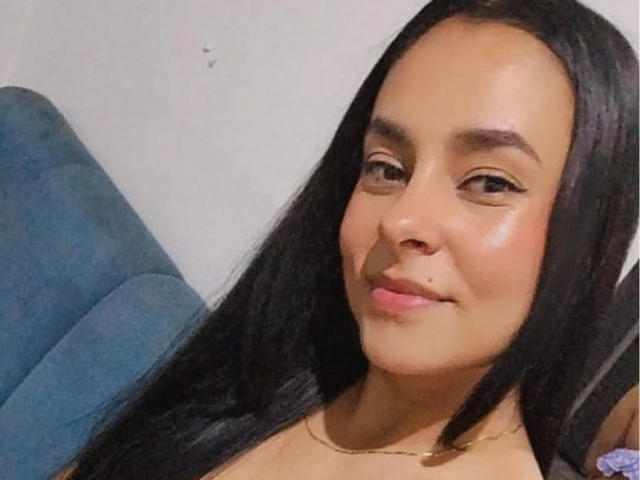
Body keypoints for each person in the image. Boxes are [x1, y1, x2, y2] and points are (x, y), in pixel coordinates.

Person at [54, 0, 638, 479]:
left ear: (589, 238)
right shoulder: (266, 378)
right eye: (386, 167)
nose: (400, 220)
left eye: (488, 182)